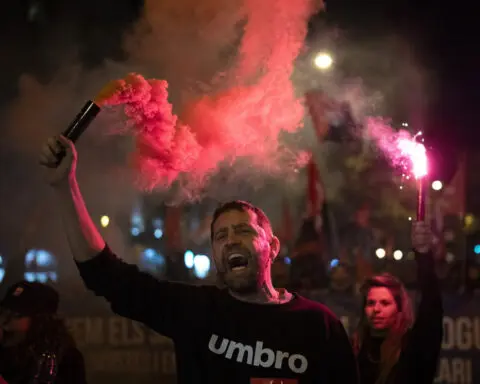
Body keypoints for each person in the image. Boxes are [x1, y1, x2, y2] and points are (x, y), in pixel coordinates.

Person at [39, 135, 359, 384]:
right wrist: (64, 187)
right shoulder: (196, 311)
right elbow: (104, 275)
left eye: (242, 231)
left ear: (272, 246)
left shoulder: (319, 325)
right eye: (220, 236)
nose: (230, 240)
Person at [351, 221, 443, 384]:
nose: (376, 309)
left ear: (400, 309)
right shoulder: (357, 349)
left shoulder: (414, 347)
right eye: (371, 303)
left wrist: (423, 254)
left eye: (385, 303)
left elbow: (432, 305)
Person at [0, 281, 87, 384]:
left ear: (40, 321)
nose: (6, 322)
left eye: (17, 315)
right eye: (4, 313)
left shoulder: (66, 359)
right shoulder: (5, 353)